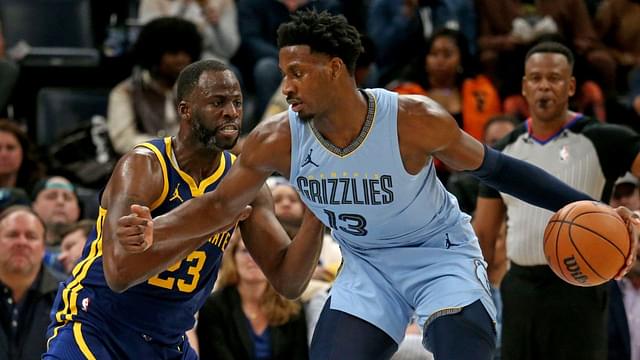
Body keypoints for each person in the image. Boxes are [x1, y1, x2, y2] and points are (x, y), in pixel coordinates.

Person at [118, 11, 639, 359]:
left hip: (440, 256)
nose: (287, 86)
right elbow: (218, 205)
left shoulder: (412, 119)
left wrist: (592, 207)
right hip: (367, 265)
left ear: (337, 70)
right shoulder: (276, 139)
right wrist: (156, 231)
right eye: (283, 73)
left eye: (298, 72)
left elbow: (500, 170)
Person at [43, 59, 324, 359]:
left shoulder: (244, 184)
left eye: (237, 102)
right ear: (185, 110)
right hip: (97, 326)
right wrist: (214, 221)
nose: (231, 112)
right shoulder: (144, 166)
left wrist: (318, 213)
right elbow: (119, 273)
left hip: (166, 342)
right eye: (218, 102)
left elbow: (288, 281)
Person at [473, 41, 640, 360]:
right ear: (524, 86)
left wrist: (636, 220)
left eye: (554, 77)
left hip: (583, 285)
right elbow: (483, 232)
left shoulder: (603, 138)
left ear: (572, 85)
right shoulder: (504, 151)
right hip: (520, 285)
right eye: (535, 78)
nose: (544, 86)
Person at [196, 231, 309, 360]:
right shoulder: (213, 306)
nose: (253, 257)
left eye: (262, 251)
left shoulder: (292, 307)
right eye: (245, 251)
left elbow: (300, 355)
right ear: (233, 257)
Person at [0, 206, 62, 360]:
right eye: (12, 234)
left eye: (31, 236)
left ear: (43, 248)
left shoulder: (68, 296)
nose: (21, 242)